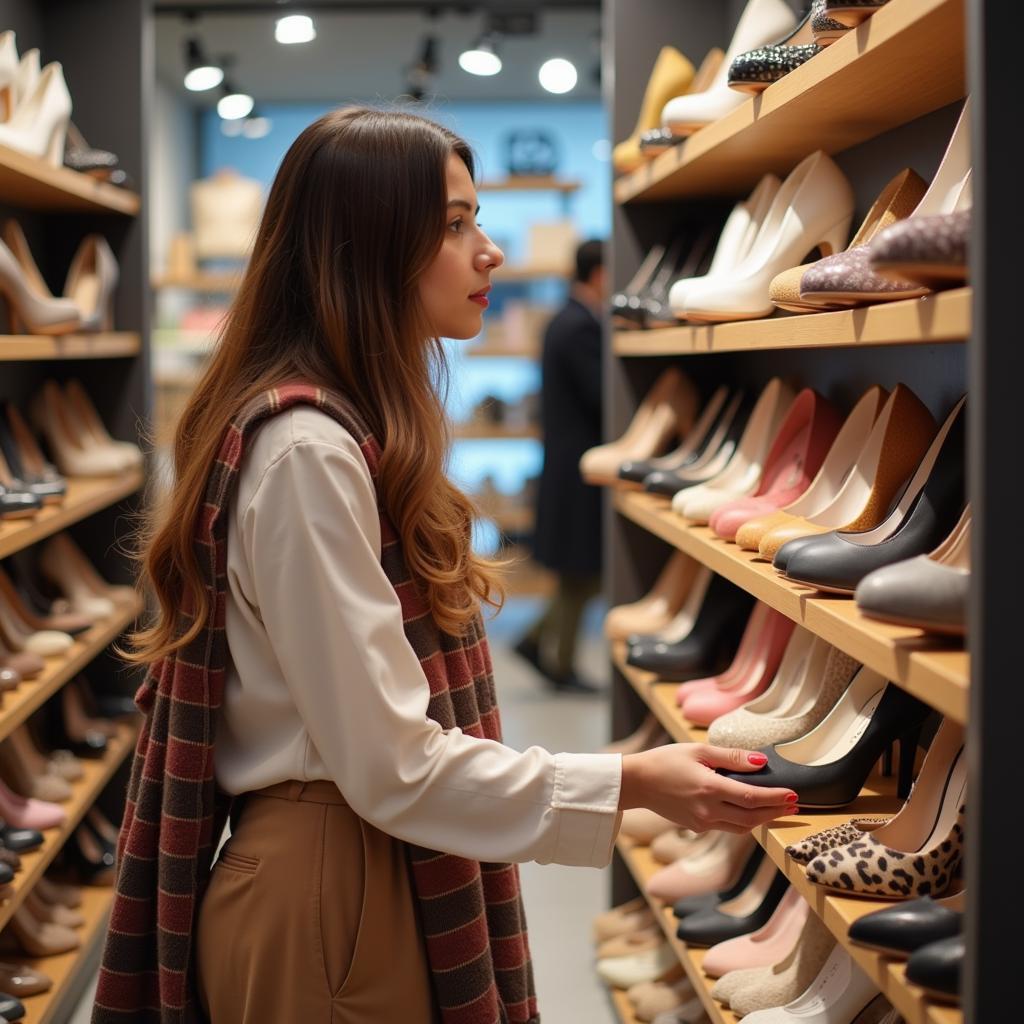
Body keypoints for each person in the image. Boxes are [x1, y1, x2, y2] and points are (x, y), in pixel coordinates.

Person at [92, 108, 796, 1024]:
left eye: (480, 221)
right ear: (370, 247)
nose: (489, 252)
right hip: (331, 894)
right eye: (456, 225)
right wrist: (628, 784)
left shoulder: (343, 434)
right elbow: (391, 764)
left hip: (345, 871)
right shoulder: (310, 451)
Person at [514, 238, 606, 693]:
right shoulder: (580, 327)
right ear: (600, 274)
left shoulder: (563, 321)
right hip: (579, 467)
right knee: (583, 570)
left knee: (581, 570)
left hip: (566, 462)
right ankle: (560, 663)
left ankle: (536, 642)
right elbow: (600, 395)